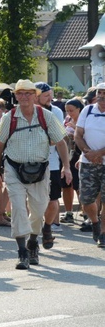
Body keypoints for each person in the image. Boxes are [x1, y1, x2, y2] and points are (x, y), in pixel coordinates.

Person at [0, 80, 70, 269]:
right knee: (18, 207)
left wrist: (66, 166)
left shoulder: (46, 116)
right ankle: (22, 252)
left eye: (28, 93)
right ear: (16, 96)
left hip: (40, 170)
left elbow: (60, 142)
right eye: (20, 93)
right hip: (14, 169)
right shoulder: (9, 117)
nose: (24, 97)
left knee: (39, 209)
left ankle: (33, 241)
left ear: (35, 96)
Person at [74, 84, 105, 247]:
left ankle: (103, 233)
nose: (101, 96)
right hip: (88, 161)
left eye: (104, 93)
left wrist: (99, 153)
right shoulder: (87, 110)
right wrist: (88, 153)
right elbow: (78, 135)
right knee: (86, 200)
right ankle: (95, 222)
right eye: (99, 92)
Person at [36, 82, 66, 237]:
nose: (50, 98)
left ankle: (51, 224)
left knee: (53, 197)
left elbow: (57, 138)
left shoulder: (56, 112)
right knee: (33, 197)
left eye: (51, 95)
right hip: (31, 162)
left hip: (52, 162)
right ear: (36, 96)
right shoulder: (28, 112)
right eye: (46, 96)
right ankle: (35, 225)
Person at [60, 98, 84, 224]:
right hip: (67, 154)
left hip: (79, 154)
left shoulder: (84, 120)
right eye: (67, 111)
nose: (69, 113)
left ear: (79, 109)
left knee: (79, 185)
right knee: (66, 185)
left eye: (71, 110)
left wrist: (75, 129)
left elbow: (87, 136)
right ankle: (68, 212)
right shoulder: (67, 119)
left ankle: (86, 213)